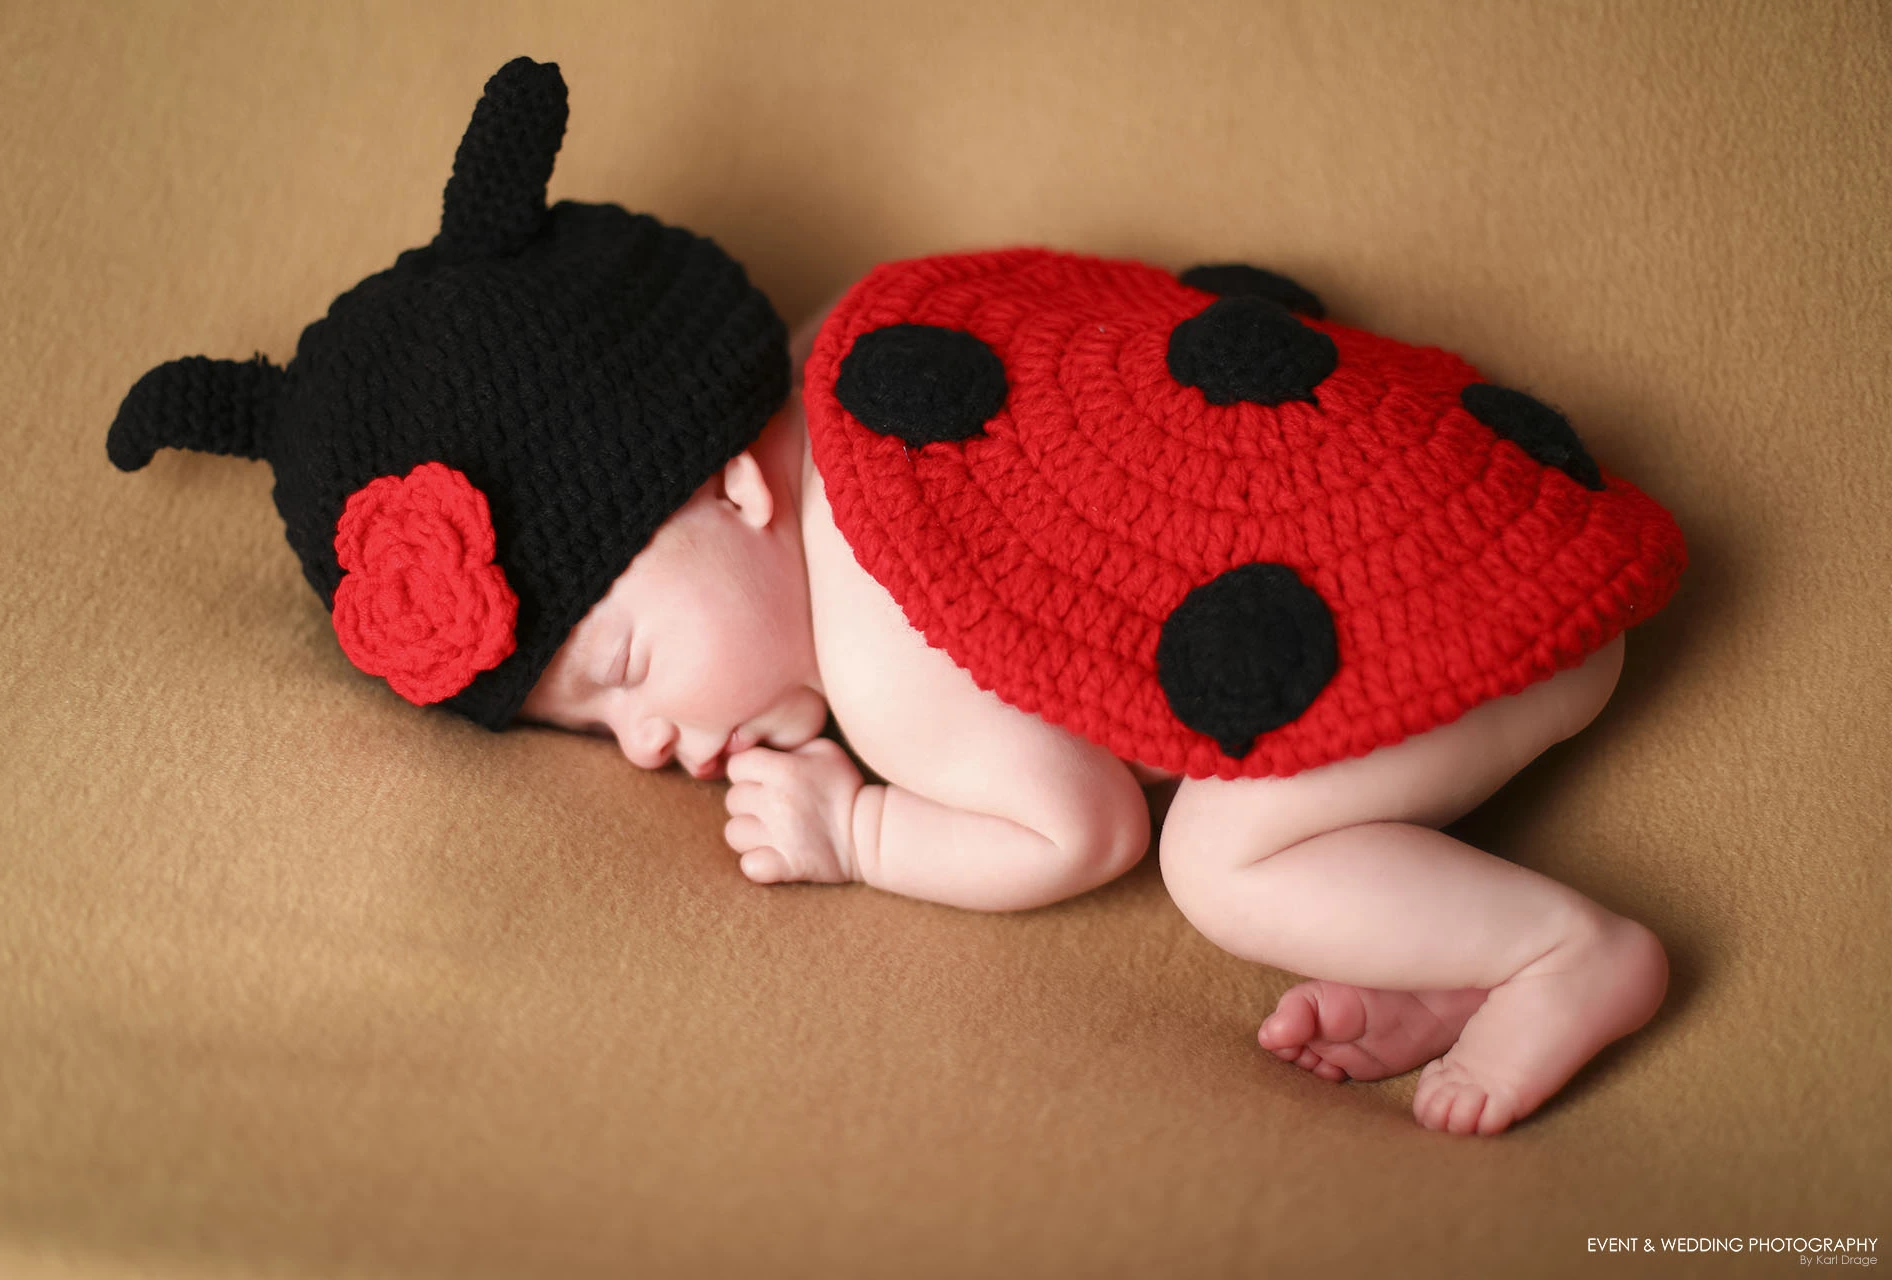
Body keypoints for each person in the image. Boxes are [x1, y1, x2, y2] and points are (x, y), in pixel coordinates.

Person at [111, 58, 1685, 1137]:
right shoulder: (862, 339)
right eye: (591, 738)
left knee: (1224, 854)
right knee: (1270, 810)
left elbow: (1079, 828)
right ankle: (1445, 964)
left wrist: (856, 833)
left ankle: (1567, 954)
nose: (648, 747)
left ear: (735, 484)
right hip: (1477, 503)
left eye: (626, 670)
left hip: (1467, 602)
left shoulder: (882, 615)